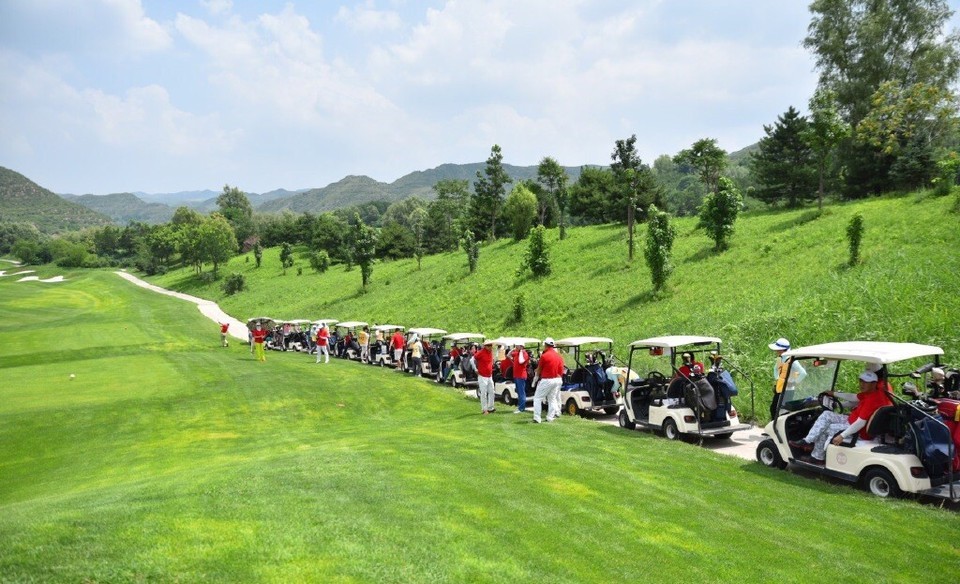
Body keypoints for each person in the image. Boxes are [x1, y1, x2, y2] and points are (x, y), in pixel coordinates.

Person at [789, 370, 893, 464]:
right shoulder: (873, 393)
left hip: (859, 430)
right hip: (851, 420)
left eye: (866, 382)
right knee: (826, 415)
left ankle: (817, 457)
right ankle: (808, 440)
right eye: (861, 381)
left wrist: (842, 435)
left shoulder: (872, 400)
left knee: (827, 428)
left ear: (874, 383)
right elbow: (853, 397)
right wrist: (834, 394)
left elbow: (860, 423)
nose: (862, 384)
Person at [770, 337, 806, 415]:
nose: (776, 351)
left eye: (778, 349)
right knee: (773, 408)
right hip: (779, 388)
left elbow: (803, 373)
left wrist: (794, 383)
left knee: (783, 410)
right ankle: (774, 425)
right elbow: (775, 369)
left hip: (788, 390)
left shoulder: (792, 361)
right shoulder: (781, 358)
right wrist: (777, 379)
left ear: (782, 350)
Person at [532, 338, 563, 423]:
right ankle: (550, 417)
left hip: (547, 380)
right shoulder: (558, 356)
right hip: (556, 380)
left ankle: (537, 418)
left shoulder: (544, 355)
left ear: (546, 345)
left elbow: (539, 369)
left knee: (537, 398)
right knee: (552, 399)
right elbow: (560, 370)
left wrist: (535, 378)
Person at [475, 339, 495, 414]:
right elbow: (472, 359)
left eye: (491, 345)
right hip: (482, 376)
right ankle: (484, 409)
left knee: (492, 391)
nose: (490, 347)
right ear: (485, 346)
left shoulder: (491, 352)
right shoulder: (480, 353)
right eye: (488, 345)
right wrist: (475, 369)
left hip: (489, 375)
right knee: (483, 393)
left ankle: (491, 407)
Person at [511, 343, 529, 413]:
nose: (516, 346)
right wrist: (513, 349)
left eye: (517, 345)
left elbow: (521, 361)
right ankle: (520, 406)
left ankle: (521, 408)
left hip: (521, 376)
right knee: (518, 392)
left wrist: (521, 351)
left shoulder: (524, 353)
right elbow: (508, 355)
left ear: (521, 346)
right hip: (516, 375)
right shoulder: (517, 353)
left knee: (521, 393)